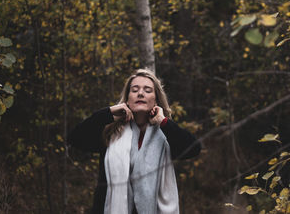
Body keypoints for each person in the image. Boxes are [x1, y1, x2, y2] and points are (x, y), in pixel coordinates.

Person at [68, 69, 201, 214]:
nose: (140, 93)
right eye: (134, 90)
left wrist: (163, 122)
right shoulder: (111, 133)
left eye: (148, 90)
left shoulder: (166, 136)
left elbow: (194, 148)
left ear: (156, 99)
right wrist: (109, 112)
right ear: (127, 99)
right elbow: (75, 138)